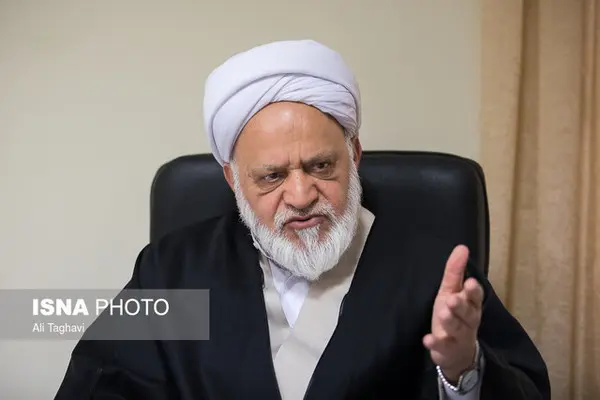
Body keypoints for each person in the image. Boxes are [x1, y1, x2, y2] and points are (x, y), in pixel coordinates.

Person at [54, 40, 550, 399]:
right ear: (233, 179)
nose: (300, 195)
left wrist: (463, 370)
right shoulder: (174, 270)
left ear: (354, 155)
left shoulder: (431, 272)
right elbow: (105, 384)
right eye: (271, 176)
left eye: (321, 166)